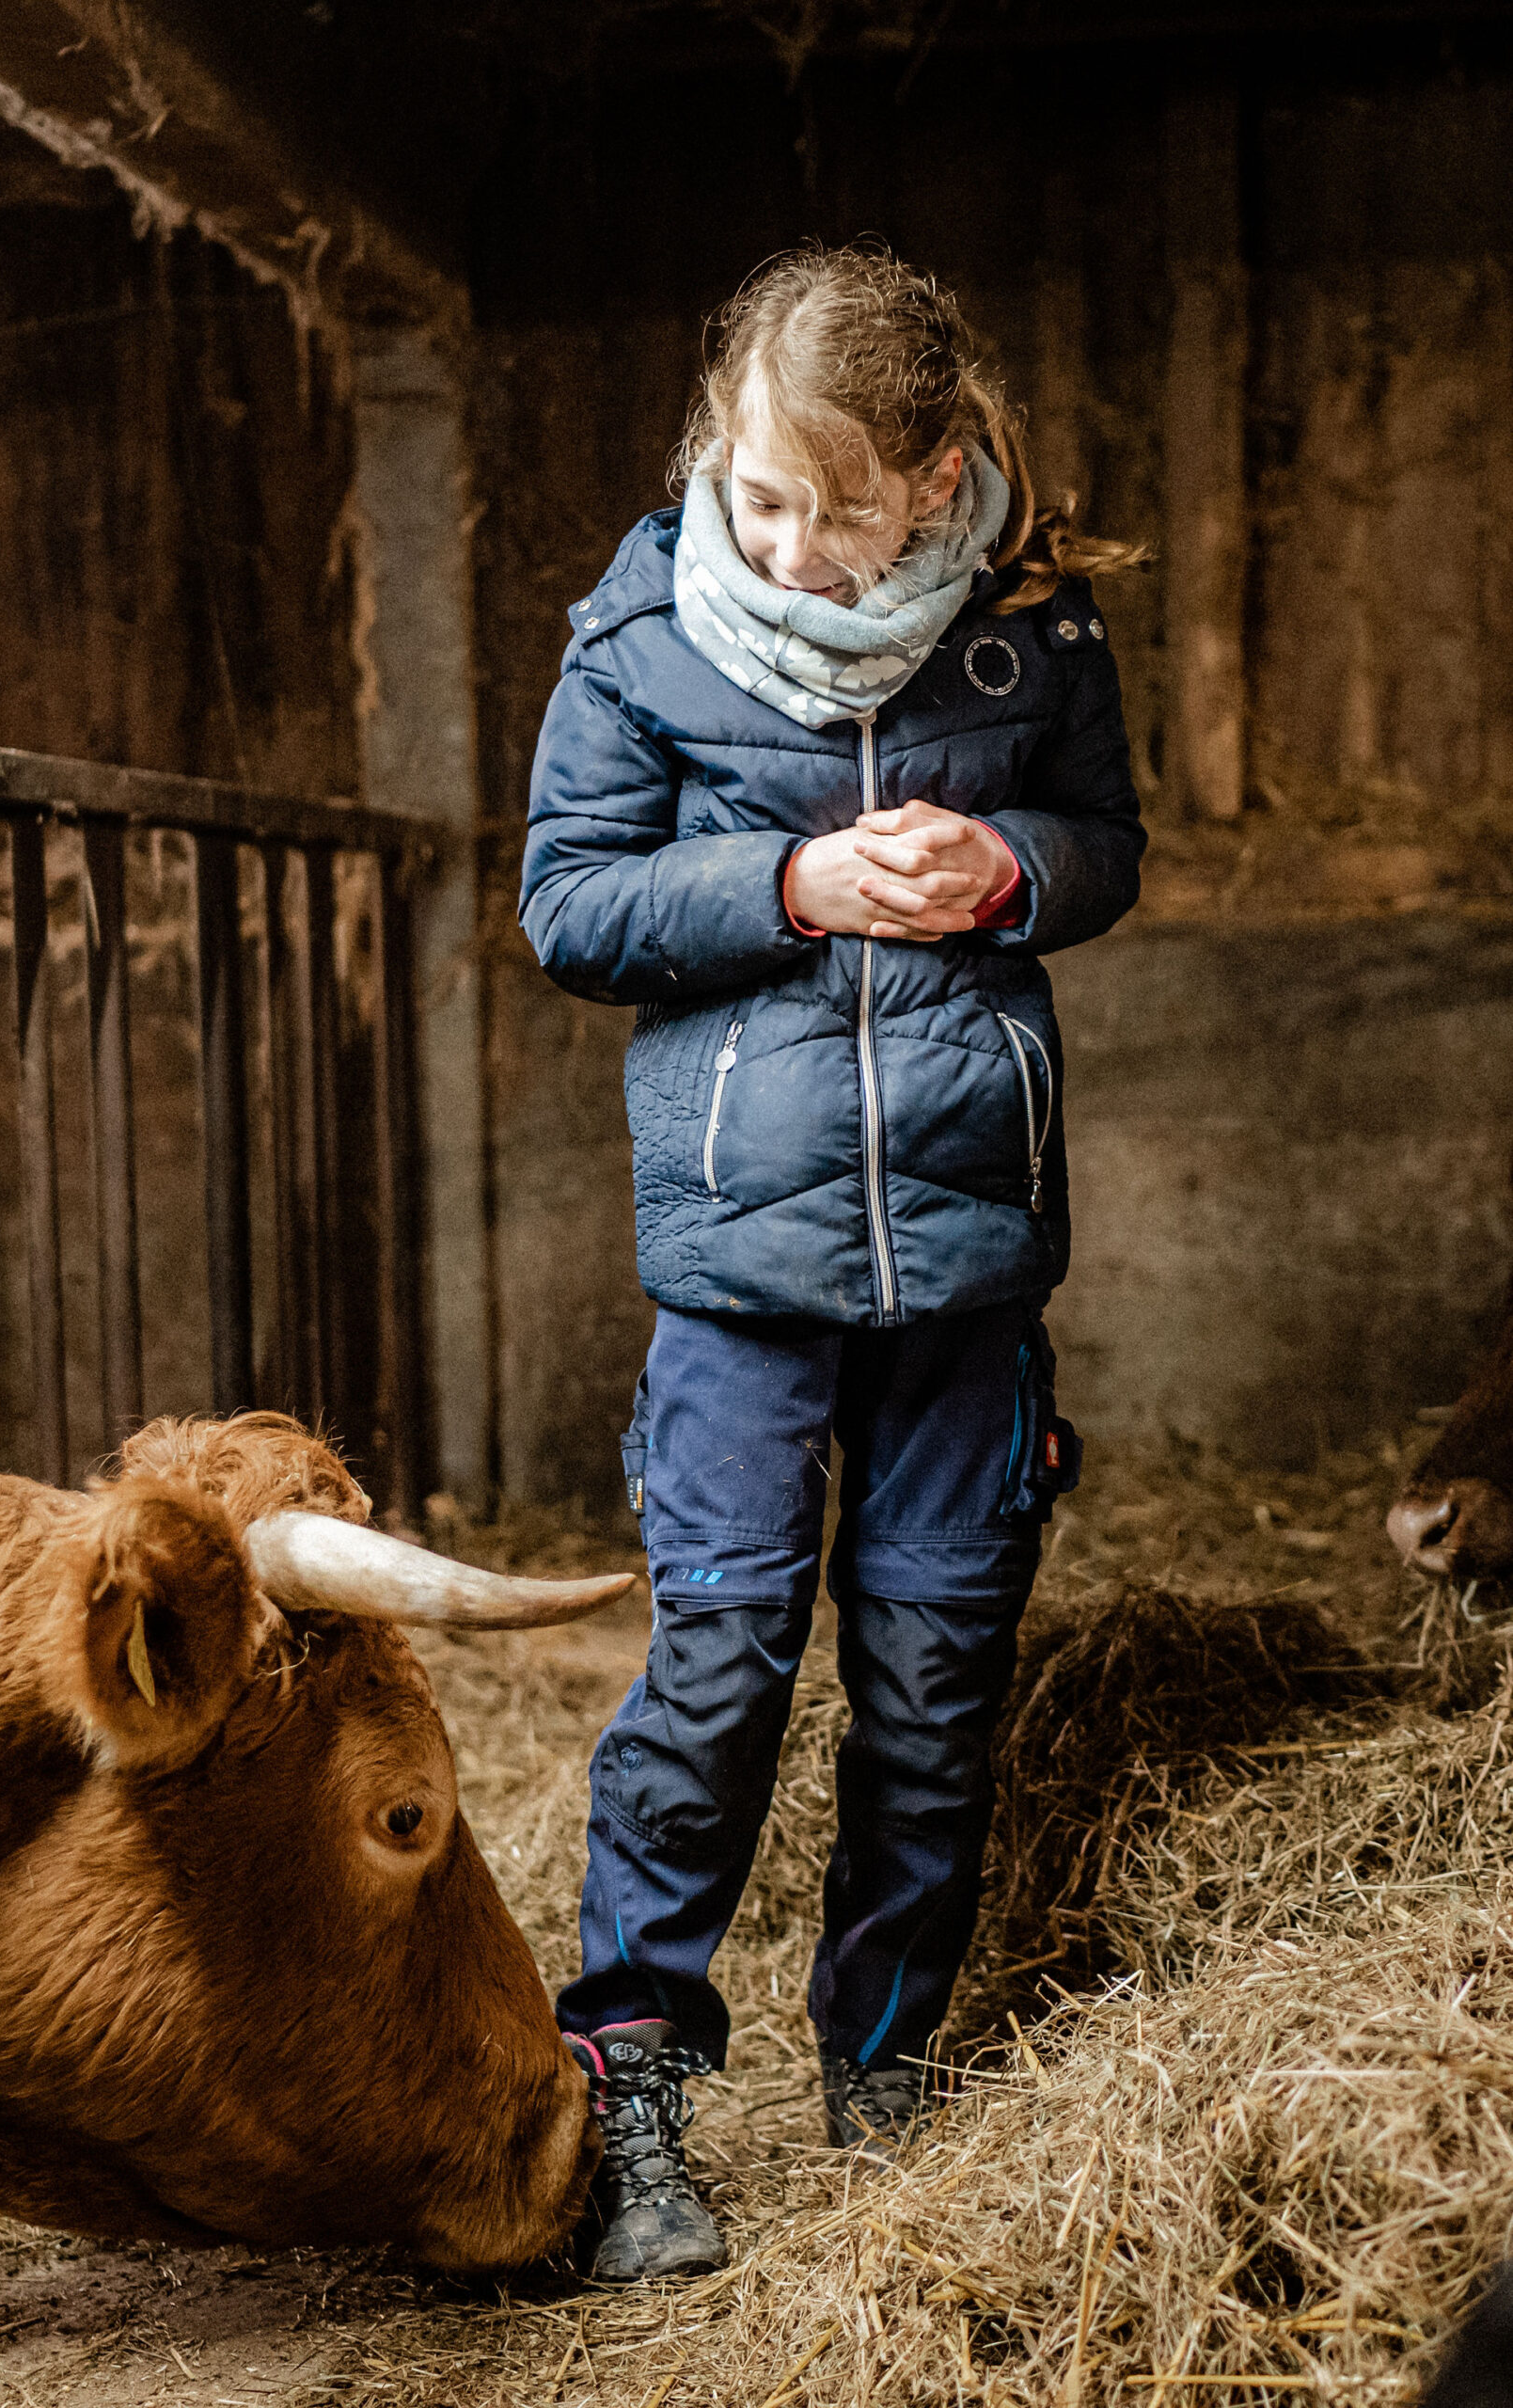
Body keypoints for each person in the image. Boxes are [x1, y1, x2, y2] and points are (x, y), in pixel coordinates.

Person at [520, 244, 1146, 2281]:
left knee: (937, 1666)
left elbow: (1102, 842)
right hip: (735, 1272)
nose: (791, 546)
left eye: (844, 510)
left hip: (968, 1268)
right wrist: (788, 878)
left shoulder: (1026, 634)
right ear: (717, 447)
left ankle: (881, 2073)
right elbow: (569, 904)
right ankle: (627, 2083)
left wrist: (1015, 870)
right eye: (759, 493)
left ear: (938, 474)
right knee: (714, 1666)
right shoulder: (641, 637)